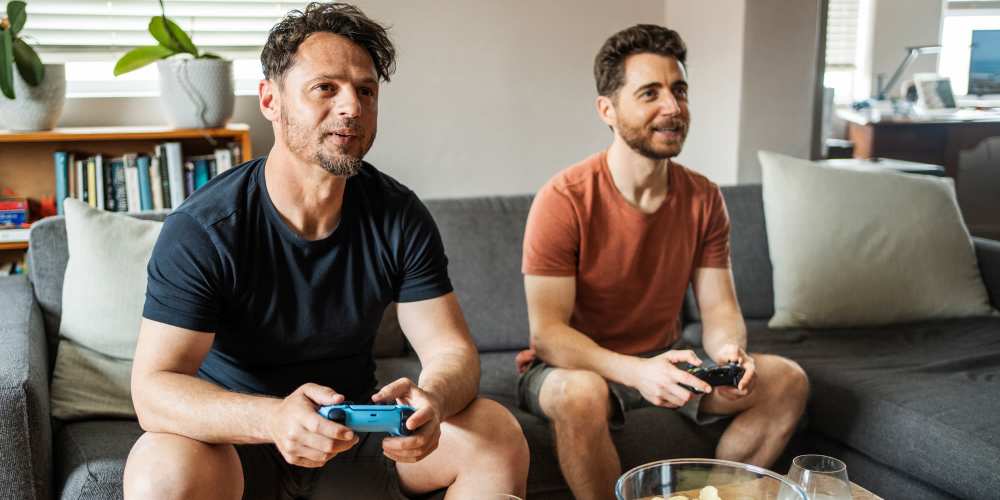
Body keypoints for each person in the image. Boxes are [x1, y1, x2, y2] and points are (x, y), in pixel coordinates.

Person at [122, 3, 528, 499]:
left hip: (354, 438)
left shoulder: (398, 214)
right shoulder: (205, 228)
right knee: (160, 466)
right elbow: (154, 390)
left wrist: (434, 401)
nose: (351, 107)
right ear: (270, 100)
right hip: (237, 445)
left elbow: (451, 350)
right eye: (325, 88)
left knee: (495, 432)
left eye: (365, 91)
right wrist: (272, 418)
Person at [516, 24, 810, 500]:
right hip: (571, 368)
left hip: (667, 359)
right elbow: (548, 335)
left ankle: (706, 497)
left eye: (679, 90)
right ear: (607, 110)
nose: (672, 108)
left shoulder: (704, 197)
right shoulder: (563, 199)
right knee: (582, 394)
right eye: (650, 93)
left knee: (787, 382)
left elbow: (718, 311)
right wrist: (636, 370)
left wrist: (731, 352)